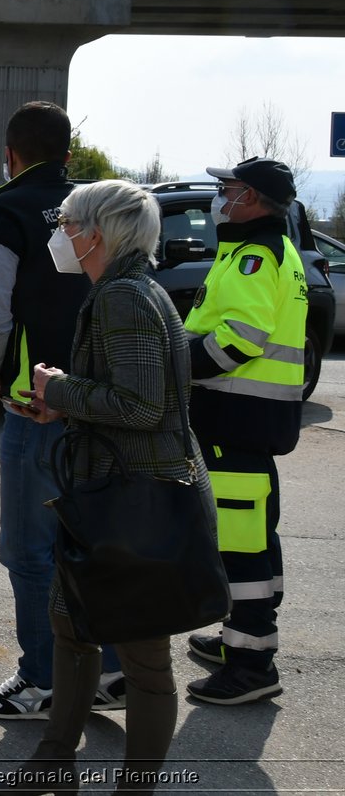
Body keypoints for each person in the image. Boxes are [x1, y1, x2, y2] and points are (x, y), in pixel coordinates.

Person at [0, 179, 211, 796]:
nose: (61, 234)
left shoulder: (125, 299)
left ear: (97, 234)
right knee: (71, 626)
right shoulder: (124, 291)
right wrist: (60, 409)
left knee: (143, 659)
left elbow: (138, 408)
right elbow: (133, 401)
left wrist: (57, 390)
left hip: (132, 504)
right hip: (108, 498)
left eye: (68, 223)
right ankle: (54, 763)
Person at [0, 101, 125, 721]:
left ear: (10, 154)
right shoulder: (95, 209)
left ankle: (42, 680)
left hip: (36, 402)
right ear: (69, 152)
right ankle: (110, 671)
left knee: (29, 551)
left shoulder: (6, 211)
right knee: (88, 542)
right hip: (97, 400)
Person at [181, 157, 306, 706]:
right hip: (251, 421)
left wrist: (174, 360)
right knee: (254, 537)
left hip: (237, 419)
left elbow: (239, 341)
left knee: (241, 547)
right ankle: (242, 639)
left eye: (226, 189)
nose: (218, 197)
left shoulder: (256, 255)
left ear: (251, 198)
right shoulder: (268, 249)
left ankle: (252, 665)